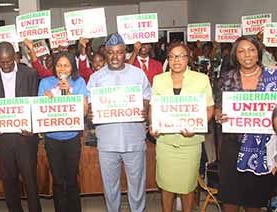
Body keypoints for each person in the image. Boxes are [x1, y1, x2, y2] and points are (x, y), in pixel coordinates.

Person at [87, 33, 151, 212]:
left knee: (137, 185)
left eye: (119, 52)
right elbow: (90, 106)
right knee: (110, 186)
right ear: (105, 53)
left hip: (134, 140)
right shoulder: (96, 78)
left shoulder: (138, 75)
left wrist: (145, 109)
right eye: (110, 52)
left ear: (126, 52)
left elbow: (147, 99)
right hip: (107, 142)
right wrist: (90, 113)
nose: (115, 56)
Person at [215, 35, 277, 212]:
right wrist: (219, 115)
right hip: (232, 145)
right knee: (230, 197)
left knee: (254, 200)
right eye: (241, 51)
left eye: (251, 50)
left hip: (262, 147)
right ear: (235, 56)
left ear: (259, 52)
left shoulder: (273, 76)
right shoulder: (227, 77)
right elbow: (218, 107)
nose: (247, 55)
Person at [149, 43, 214, 212]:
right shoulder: (159, 79)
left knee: (187, 188)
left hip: (190, 144)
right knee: (166, 187)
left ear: (188, 58)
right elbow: (154, 107)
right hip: (165, 143)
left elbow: (209, 109)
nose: (176, 60)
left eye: (180, 56)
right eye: (171, 56)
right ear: (168, 59)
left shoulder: (201, 79)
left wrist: (197, 124)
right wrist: (152, 124)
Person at [0, 41, 41, 212]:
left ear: (15, 56)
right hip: (2, 137)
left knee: (30, 180)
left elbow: (35, 104)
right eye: (1, 61)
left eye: (8, 61)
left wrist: (33, 127)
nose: (5, 65)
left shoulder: (29, 73)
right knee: (8, 179)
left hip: (25, 137)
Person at [38, 52, 88, 212]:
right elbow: (39, 111)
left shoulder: (79, 82)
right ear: (54, 66)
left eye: (66, 65)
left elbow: (85, 111)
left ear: (72, 66)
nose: (62, 68)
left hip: (72, 138)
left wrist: (70, 94)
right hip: (52, 139)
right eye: (59, 65)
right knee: (58, 180)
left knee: (72, 179)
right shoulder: (45, 83)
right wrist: (44, 100)